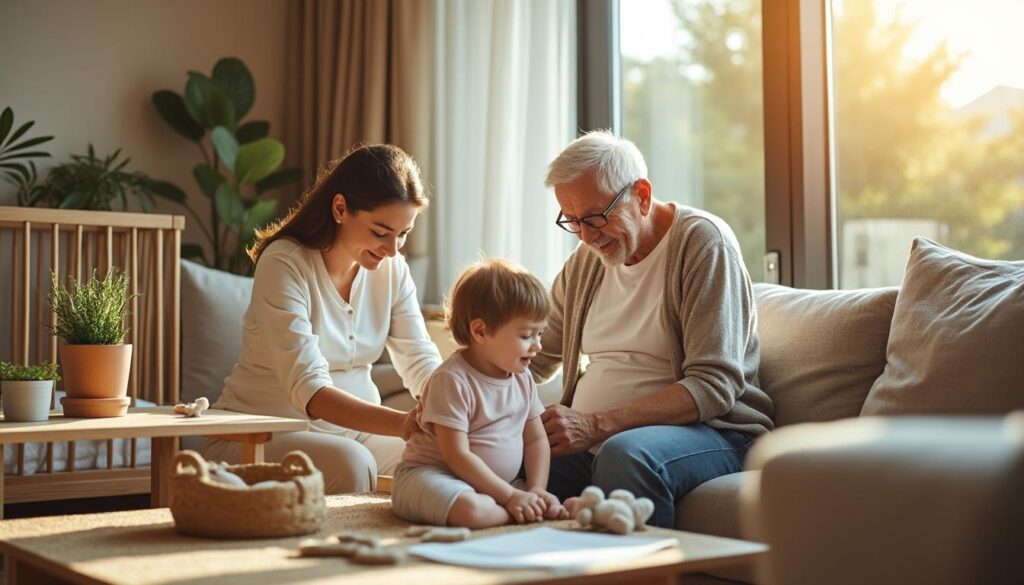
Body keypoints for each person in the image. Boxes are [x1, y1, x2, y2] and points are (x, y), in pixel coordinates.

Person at [530, 131, 774, 528]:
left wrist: (596, 425)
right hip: (599, 439)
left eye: (595, 217)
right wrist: (469, 392)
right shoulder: (585, 263)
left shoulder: (703, 245)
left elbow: (715, 385)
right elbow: (537, 353)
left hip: (715, 433)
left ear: (641, 196)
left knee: (624, 454)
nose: (588, 237)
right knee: (502, 451)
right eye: (572, 222)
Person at [205, 144, 443, 493]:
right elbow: (310, 390)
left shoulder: (392, 269)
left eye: (403, 234)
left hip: (355, 436)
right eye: (381, 232)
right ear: (340, 208)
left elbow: (420, 360)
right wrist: (405, 424)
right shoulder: (284, 263)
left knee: (442, 455)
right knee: (354, 461)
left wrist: (460, 406)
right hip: (261, 433)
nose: (393, 250)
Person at [392, 259, 569, 528]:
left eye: (540, 334)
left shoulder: (522, 379)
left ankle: (523, 508)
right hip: (432, 477)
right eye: (526, 335)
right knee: (472, 511)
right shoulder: (451, 381)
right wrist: (510, 496)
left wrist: (536, 489)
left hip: (496, 487)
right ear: (480, 331)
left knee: (546, 499)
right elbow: (457, 456)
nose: (538, 346)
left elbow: (535, 440)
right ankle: (519, 513)